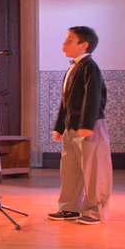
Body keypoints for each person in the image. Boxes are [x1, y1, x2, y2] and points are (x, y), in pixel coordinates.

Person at [48, 26, 112, 225]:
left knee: (94, 172)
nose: (64, 43)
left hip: (88, 127)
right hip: (71, 127)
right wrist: (59, 126)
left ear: (84, 45)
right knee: (70, 170)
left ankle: (94, 211)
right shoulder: (73, 67)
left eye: (69, 40)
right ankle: (69, 208)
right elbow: (66, 101)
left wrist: (87, 124)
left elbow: (93, 97)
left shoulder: (90, 67)